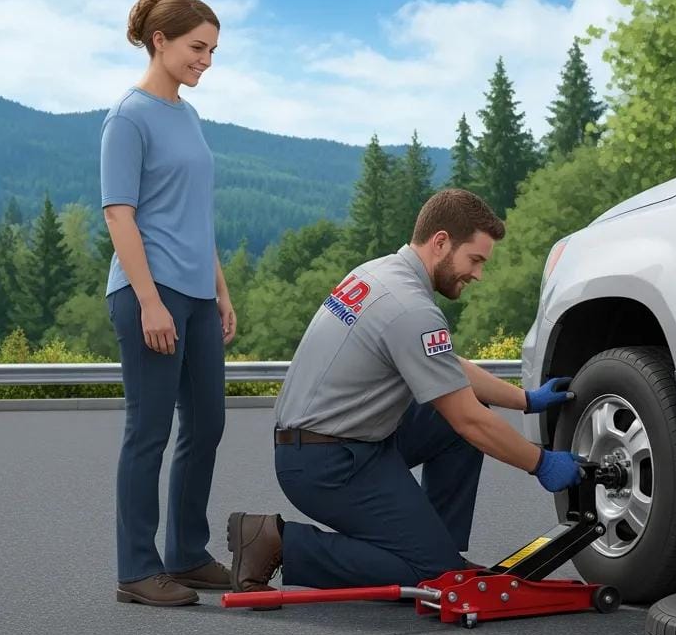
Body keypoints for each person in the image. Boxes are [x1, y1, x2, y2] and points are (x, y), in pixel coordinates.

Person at [227, 189, 582, 594]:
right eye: (476, 260)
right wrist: (541, 463)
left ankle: (438, 549)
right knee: (428, 572)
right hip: (325, 464)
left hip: (343, 441)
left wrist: (525, 399)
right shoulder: (411, 309)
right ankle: (278, 543)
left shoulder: (379, 274)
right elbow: (469, 421)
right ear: (441, 242)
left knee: (459, 414)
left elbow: (445, 365)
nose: (478, 274)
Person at [101, 0, 237, 607]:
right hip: (148, 293)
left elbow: (195, 214)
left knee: (207, 422)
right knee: (148, 430)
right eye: (197, 48)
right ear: (160, 40)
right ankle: (137, 568)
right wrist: (151, 302)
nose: (206, 61)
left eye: (211, 50)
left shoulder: (187, 115)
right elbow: (120, 215)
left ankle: (186, 553)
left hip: (196, 293)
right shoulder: (128, 117)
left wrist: (220, 290)